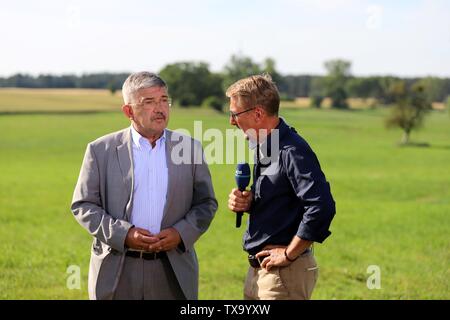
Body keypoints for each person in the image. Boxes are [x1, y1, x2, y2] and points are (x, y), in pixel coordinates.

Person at [71, 72, 217, 300]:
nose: (160, 108)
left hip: (173, 270)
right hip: (117, 270)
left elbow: (206, 203)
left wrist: (180, 233)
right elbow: (83, 205)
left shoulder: (190, 149)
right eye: (149, 102)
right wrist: (124, 233)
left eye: (164, 100)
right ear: (128, 111)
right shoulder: (100, 150)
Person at [227, 74, 336, 300]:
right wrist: (250, 203)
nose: (231, 121)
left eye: (234, 114)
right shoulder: (266, 146)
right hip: (261, 271)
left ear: (257, 114)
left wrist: (288, 254)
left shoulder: (291, 151)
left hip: (283, 275)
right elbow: (283, 201)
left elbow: (321, 206)